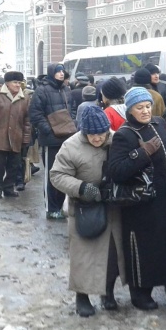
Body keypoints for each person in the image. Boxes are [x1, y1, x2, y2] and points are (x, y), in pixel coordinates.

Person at [107, 87, 166, 310]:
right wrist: (141, 153)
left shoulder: (159, 124)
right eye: (140, 108)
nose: (146, 111)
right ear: (130, 110)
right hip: (143, 202)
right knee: (147, 247)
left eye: (147, 106)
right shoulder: (124, 134)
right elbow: (116, 171)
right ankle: (140, 293)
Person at [50, 106, 126, 317]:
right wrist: (82, 188)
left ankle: (107, 292)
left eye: (101, 134)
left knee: (112, 254)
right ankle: (82, 297)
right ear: (84, 132)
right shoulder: (70, 146)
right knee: (84, 256)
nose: (97, 139)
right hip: (84, 207)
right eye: (92, 135)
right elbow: (57, 176)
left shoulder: (117, 139)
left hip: (112, 205)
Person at [29, 63, 74, 219]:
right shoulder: (41, 91)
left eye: (62, 71)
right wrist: (50, 129)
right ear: (51, 73)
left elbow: (72, 111)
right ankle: (51, 208)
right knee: (51, 174)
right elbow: (35, 115)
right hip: (51, 140)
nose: (61, 74)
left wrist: (72, 125)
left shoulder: (66, 90)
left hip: (67, 138)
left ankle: (60, 207)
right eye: (58, 71)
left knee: (64, 173)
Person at [0, 71, 31, 199]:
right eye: (15, 82)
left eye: (20, 82)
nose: (18, 85)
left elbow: (27, 121)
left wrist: (26, 138)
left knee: (14, 166)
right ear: (7, 83)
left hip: (16, 137)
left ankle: (8, 188)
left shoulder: (24, 98)